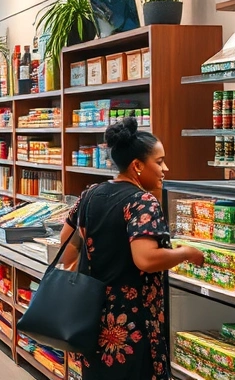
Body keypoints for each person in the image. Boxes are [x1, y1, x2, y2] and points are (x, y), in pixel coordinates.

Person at [58, 118, 204, 380]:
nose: (165, 169)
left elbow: (66, 242)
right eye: (159, 162)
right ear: (137, 165)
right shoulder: (142, 201)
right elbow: (146, 259)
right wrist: (185, 253)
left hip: (92, 317)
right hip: (133, 323)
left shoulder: (91, 193)